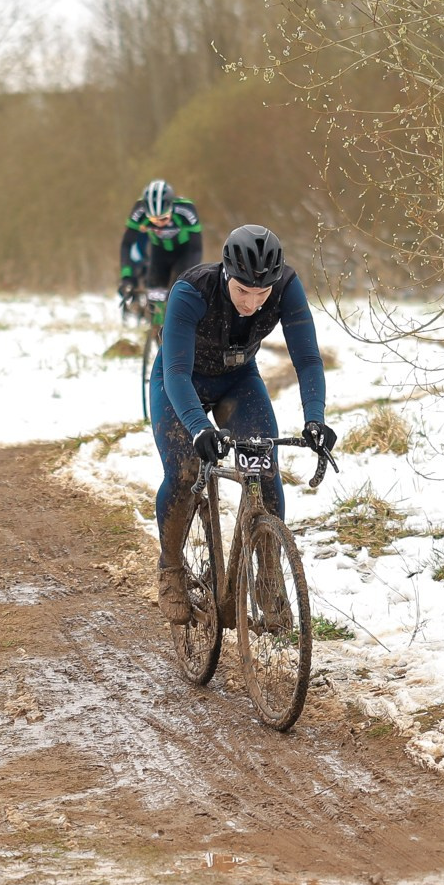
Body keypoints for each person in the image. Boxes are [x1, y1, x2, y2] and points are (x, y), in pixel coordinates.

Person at [150, 224, 338, 623]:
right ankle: (171, 570)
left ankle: (268, 576)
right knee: (184, 472)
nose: (252, 303)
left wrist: (315, 419)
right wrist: (200, 428)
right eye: (242, 292)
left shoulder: (287, 286)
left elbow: (307, 360)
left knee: (263, 467)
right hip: (179, 382)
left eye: (261, 294)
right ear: (226, 275)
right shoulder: (192, 291)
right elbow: (177, 374)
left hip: (237, 381)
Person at [118, 179, 202, 312]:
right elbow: (127, 244)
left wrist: (189, 276)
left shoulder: (186, 210)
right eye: (153, 220)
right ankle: (154, 327)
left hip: (185, 252)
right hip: (159, 252)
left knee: (177, 294)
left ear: (171, 208)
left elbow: (196, 248)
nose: (158, 223)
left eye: (163, 218)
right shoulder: (138, 210)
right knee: (155, 298)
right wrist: (127, 276)